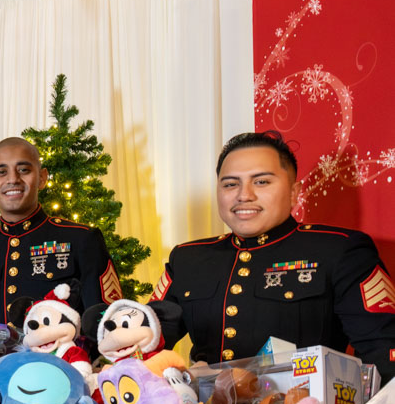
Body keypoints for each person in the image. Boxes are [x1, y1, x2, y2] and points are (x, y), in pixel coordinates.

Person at [155, 131, 395, 382]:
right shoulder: (187, 259)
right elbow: (145, 336)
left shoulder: (339, 250)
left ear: (294, 192)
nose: (243, 195)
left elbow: (383, 354)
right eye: (230, 184)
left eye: (261, 182)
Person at [0, 137, 123, 359]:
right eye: (1, 172)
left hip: (58, 374)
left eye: (24, 170)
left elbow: (103, 320)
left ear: (42, 177)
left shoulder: (81, 240)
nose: (13, 179)